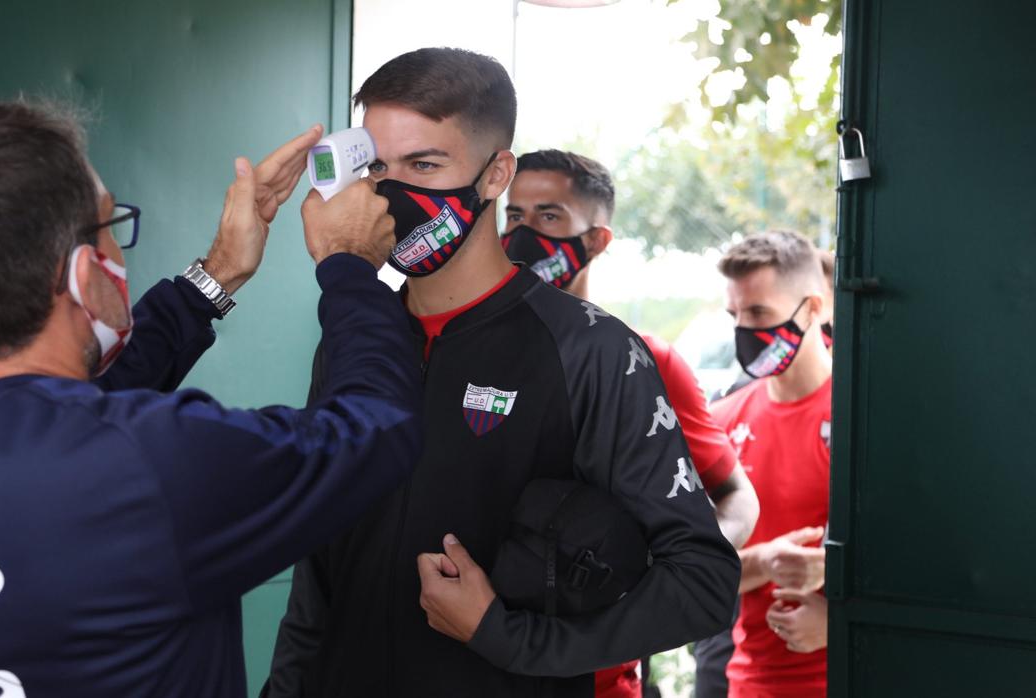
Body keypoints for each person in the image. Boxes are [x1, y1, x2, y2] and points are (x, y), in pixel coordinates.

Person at [0, 100, 423, 698]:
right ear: (80, 270)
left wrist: (220, 271)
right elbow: (377, 428)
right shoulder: (152, 461)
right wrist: (349, 264)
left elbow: (67, 422)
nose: (117, 248)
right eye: (110, 225)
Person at [263, 48, 740, 698]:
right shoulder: (357, 333)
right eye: (376, 166)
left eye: (424, 165)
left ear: (496, 176)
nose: (390, 192)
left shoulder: (592, 351)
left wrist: (507, 636)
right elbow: (319, 565)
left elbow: (702, 585)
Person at [501, 149, 761, 698]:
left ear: (597, 241)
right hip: (478, 657)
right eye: (514, 217)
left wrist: (652, 583)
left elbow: (736, 496)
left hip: (599, 677)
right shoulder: (471, 350)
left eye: (549, 217)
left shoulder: (643, 358)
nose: (524, 236)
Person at [707, 231, 832, 698]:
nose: (744, 329)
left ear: (813, 308)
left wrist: (839, 616)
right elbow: (694, 567)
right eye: (734, 315)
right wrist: (767, 560)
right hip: (753, 683)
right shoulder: (721, 422)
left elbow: (923, 559)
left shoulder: (864, 418)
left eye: (758, 313)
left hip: (856, 673)